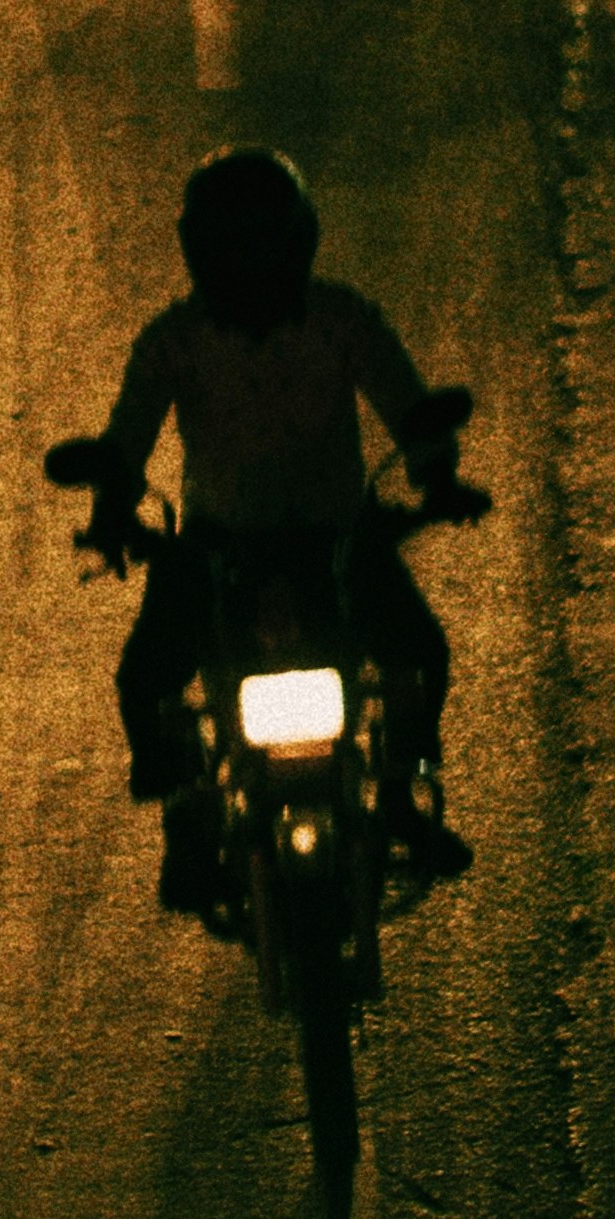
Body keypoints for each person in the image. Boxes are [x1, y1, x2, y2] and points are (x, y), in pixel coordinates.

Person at [75, 148, 485, 891]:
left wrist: (440, 475)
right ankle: (188, 813)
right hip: (216, 552)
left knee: (420, 654)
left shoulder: (341, 322)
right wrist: (110, 512)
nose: (251, 266)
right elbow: (126, 440)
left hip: (335, 540)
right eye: (235, 249)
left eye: (262, 246)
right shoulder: (175, 341)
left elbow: (405, 403)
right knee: (144, 681)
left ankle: (396, 793)